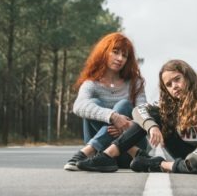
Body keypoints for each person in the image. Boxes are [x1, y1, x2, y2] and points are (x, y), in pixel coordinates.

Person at [77, 59, 197, 174]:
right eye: (168, 84)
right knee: (151, 115)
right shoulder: (169, 103)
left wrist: (195, 156)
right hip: (180, 150)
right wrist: (152, 126)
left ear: (188, 77)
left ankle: (158, 164)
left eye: (177, 79)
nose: (174, 86)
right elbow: (138, 110)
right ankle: (107, 156)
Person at [63, 32, 147, 171]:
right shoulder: (91, 83)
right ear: (104, 52)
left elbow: (144, 113)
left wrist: (129, 125)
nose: (120, 58)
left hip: (130, 155)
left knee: (124, 105)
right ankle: (103, 156)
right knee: (92, 103)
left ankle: (86, 152)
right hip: (101, 154)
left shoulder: (135, 83)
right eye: (115, 52)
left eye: (124, 55)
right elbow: (79, 106)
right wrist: (113, 117)